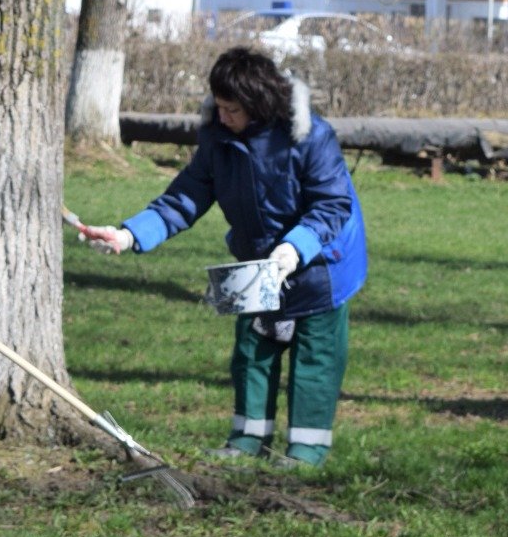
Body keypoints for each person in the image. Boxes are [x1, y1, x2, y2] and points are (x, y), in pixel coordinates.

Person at [78, 47, 367, 467]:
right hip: (257, 259)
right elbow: (184, 198)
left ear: (258, 103)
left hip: (324, 263)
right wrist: (128, 236)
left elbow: (331, 206)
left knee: (315, 357)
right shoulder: (218, 138)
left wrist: (294, 248)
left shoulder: (311, 136)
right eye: (219, 106)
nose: (223, 115)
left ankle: (306, 451)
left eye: (232, 109)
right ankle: (246, 441)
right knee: (252, 349)